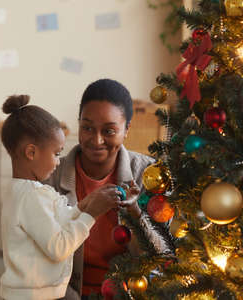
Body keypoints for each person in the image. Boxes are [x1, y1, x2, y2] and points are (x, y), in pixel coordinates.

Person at [0, 95, 139, 300]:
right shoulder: (32, 197)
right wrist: (92, 213)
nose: (58, 162)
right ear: (31, 152)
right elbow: (59, 247)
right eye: (56, 153)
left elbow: (60, 221)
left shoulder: (22, 191)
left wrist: (90, 201)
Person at [46, 79, 172, 299]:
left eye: (109, 131)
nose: (96, 140)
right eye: (87, 128)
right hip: (65, 292)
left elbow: (162, 255)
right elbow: (41, 252)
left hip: (128, 292)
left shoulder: (150, 175)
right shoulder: (53, 175)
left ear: (126, 130)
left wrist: (135, 215)